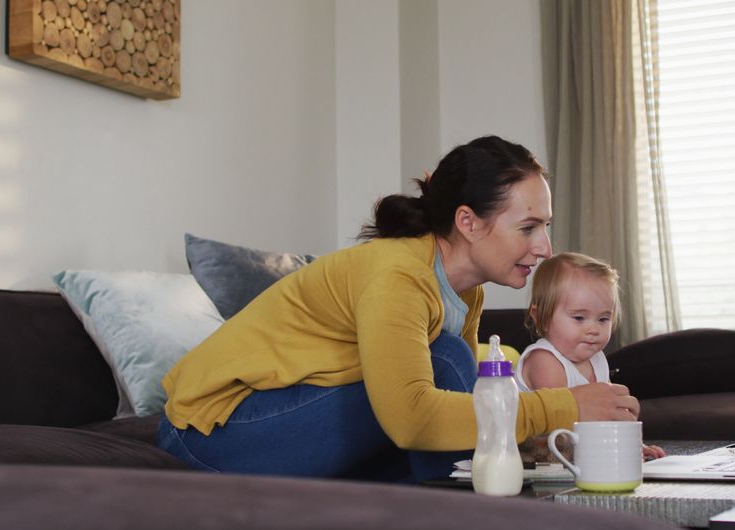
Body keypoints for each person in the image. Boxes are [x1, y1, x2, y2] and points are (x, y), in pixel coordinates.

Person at [158, 135, 642, 482]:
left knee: (457, 362)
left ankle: (451, 499)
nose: (545, 248)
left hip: (292, 413)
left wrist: (572, 434)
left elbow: (475, 387)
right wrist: (563, 404)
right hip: (211, 432)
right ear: (468, 223)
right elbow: (412, 416)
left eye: (545, 227)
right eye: (528, 228)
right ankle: (452, 511)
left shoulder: (465, 286)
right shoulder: (398, 275)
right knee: (446, 361)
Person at [515, 252, 665, 459]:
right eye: (579, 317)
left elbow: (610, 413)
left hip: (576, 456)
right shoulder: (545, 360)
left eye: (603, 319)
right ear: (541, 318)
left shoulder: (597, 359)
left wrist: (633, 444)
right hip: (539, 457)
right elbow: (561, 420)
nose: (593, 329)